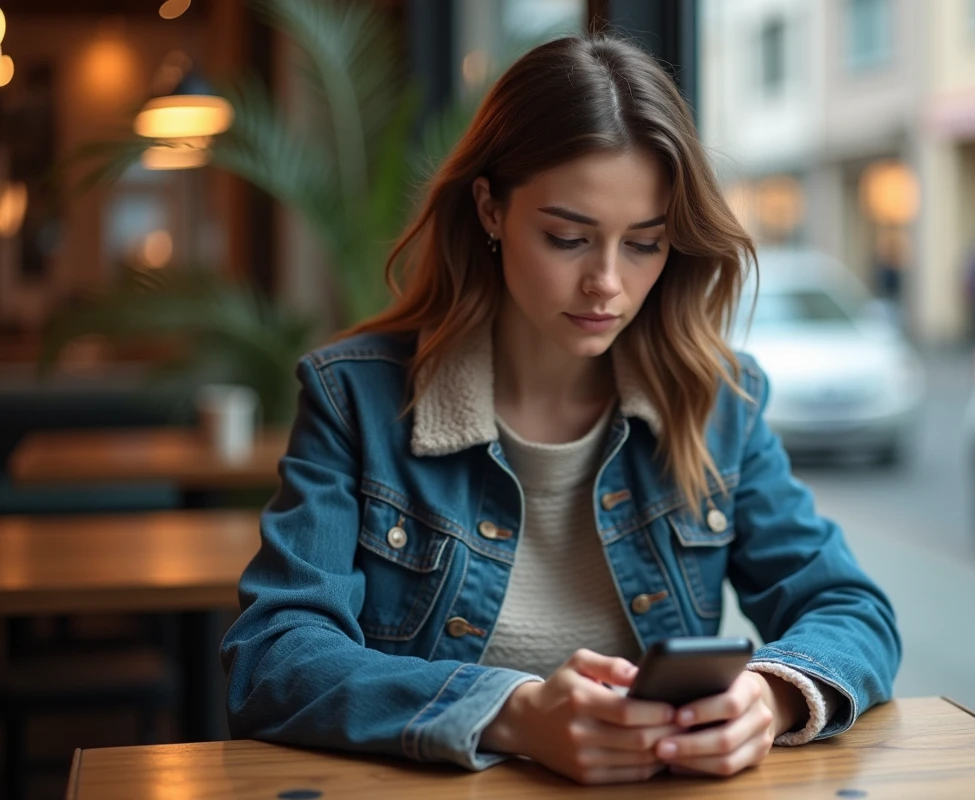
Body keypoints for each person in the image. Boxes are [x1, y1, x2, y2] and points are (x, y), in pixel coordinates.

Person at [221, 34, 900, 785]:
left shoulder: (716, 404)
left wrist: (766, 698)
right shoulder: (357, 399)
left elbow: (850, 607)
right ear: (490, 208)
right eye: (568, 238)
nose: (606, 283)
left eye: (644, 244)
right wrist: (512, 713)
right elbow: (273, 654)